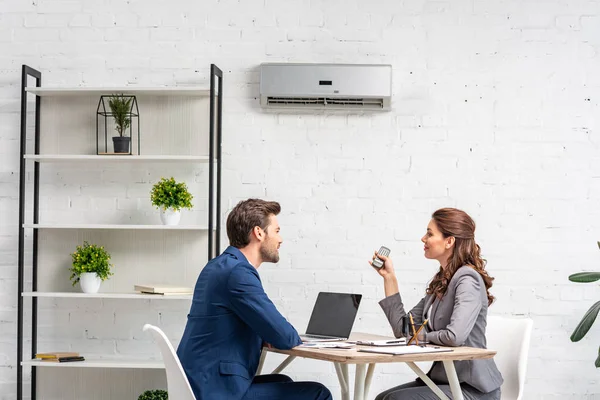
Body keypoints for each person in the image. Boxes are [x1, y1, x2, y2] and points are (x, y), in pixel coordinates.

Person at [177, 198, 332, 400]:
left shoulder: (218, 266)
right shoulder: (238, 273)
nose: (280, 239)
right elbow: (285, 337)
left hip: (201, 383)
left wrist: (264, 334)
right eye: (276, 231)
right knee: (318, 394)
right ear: (259, 233)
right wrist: (273, 333)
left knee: (283, 381)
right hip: (217, 391)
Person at [372, 208, 503, 400]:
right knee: (383, 398)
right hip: (446, 380)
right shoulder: (443, 281)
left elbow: (454, 336)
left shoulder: (467, 279)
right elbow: (402, 328)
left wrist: (419, 337)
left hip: (472, 388)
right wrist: (389, 278)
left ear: (449, 241)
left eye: (430, 233)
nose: (423, 239)